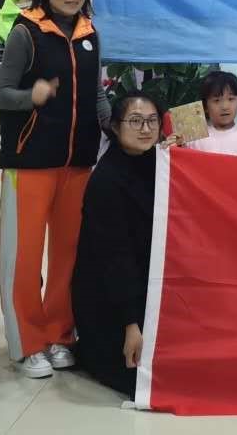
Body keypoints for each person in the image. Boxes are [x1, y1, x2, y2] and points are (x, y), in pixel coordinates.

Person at [0, 0, 110, 378]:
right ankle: (28, 342)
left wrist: (117, 127)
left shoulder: (90, 33)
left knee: (68, 255)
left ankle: (60, 334)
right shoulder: (25, 31)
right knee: (25, 258)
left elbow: (97, 96)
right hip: (29, 160)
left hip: (78, 162)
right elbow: (4, 93)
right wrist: (33, 95)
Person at [72, 93, 162, 399]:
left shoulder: (159, 164)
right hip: (110, 301)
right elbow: (114, 259)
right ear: (115, 127)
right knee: (143, 381)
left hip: (146, 287)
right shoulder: (106, 182)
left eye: (152, 121)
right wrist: (130, 326)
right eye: (135, 121)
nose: (145, 129)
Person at [185, 71, 237, 156]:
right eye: (216, 100)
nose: (225, 107)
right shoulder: (195, 138)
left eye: (231, 99)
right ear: (205, 106)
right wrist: (176, 143)